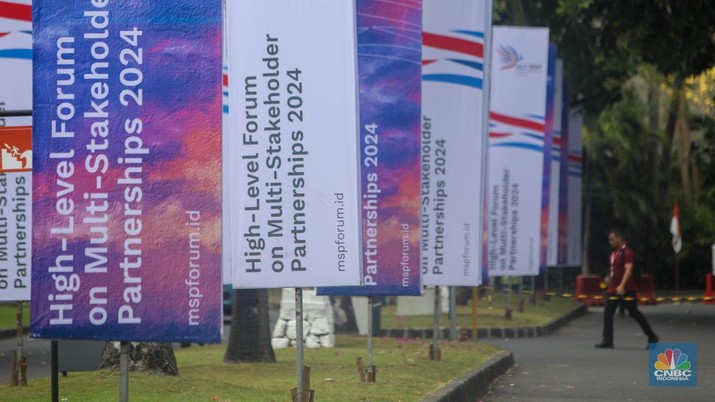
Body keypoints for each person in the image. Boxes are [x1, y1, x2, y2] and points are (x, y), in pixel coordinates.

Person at [595, 229, 659, 349]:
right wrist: (606, 281)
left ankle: (652, 336)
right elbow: (613, 271)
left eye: (612, 240)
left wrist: (622, 286)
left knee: (634, 313)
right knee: (608, 312)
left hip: (627, 289)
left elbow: (628, 270)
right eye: (609, 240)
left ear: (619, 238)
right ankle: (607, 340)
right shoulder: (614, 254)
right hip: (613, 289)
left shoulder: (627, 252)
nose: (611, 242)